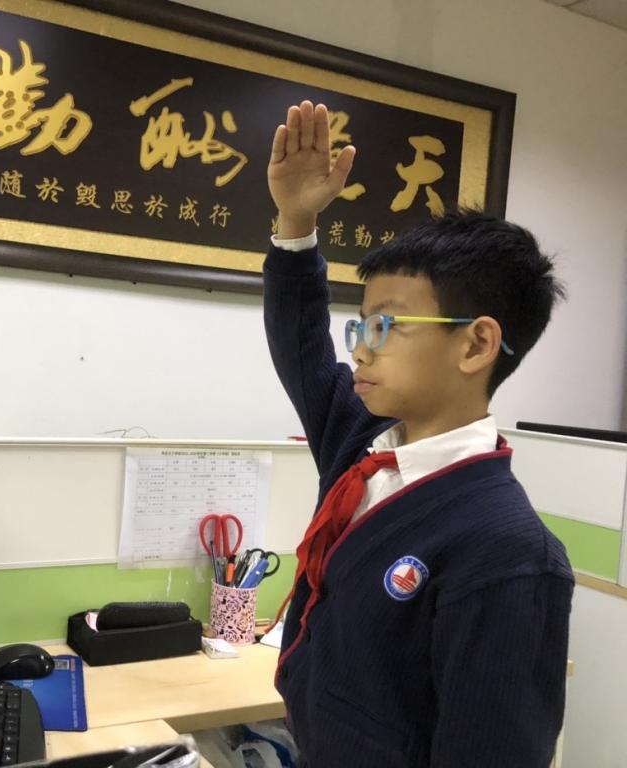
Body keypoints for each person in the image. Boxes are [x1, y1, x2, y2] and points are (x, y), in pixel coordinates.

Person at [264, 100, 574, 767]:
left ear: (476, 345)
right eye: (361, 324)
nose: (359, 349)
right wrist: (296, 223)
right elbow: (302, 348)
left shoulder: (507, 552)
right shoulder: (365, 443)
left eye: (386, 326)